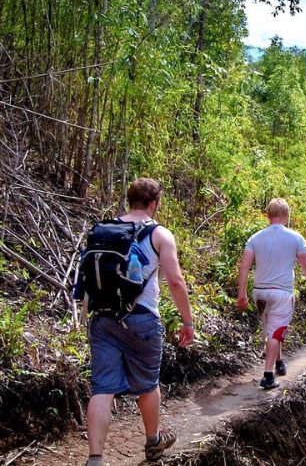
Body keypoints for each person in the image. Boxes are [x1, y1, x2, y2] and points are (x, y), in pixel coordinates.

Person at [83, 178, 194, 465]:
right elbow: (175, 281)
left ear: (128, 200)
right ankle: (152, 442)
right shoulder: (160, 235)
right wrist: (188, 321)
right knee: (147, 384)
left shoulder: (103, 230)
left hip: (103, 318)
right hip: (142, 319)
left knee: (103, 388)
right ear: (154, 203)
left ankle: (95, 457)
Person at [236, 198, 306, 390]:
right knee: (276, 331)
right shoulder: (296, 237)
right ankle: (268, 375)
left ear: (268, 215)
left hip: (260, 293)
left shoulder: (255, 238)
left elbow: (244, 267)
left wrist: (242, 294)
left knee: (270, 329)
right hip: (282, 292)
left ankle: (279, 362)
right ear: (287, 215)